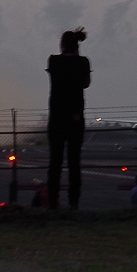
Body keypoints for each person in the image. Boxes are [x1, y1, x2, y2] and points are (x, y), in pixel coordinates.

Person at [47, 28, 91, 210]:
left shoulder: (54, 61)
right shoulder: (82, 62)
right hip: (75, 117)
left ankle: (52, 201)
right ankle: (74, 201)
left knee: (55, 162)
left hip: (56, 117)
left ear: (62, 44)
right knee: (74, 163)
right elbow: (86, 83)